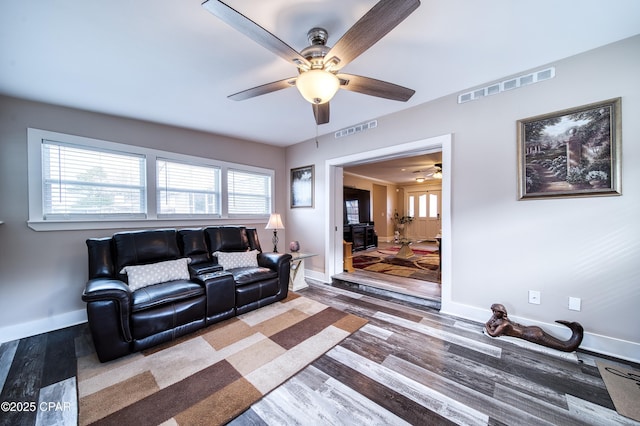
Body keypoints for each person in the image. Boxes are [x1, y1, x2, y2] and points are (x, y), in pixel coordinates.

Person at [485, 303, 583, 352]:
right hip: (532, 329)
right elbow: (491, 322)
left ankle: (577, 333)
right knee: (564, 344)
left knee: (566, 347)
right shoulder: (503, 320)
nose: (493, 313)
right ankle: (576, 333)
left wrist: (487, 326)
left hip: (531, 334)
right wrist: (492, 319)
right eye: (493, 311)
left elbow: (493, 334)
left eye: (495, 311)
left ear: (501, 312)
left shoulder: (503, 324)